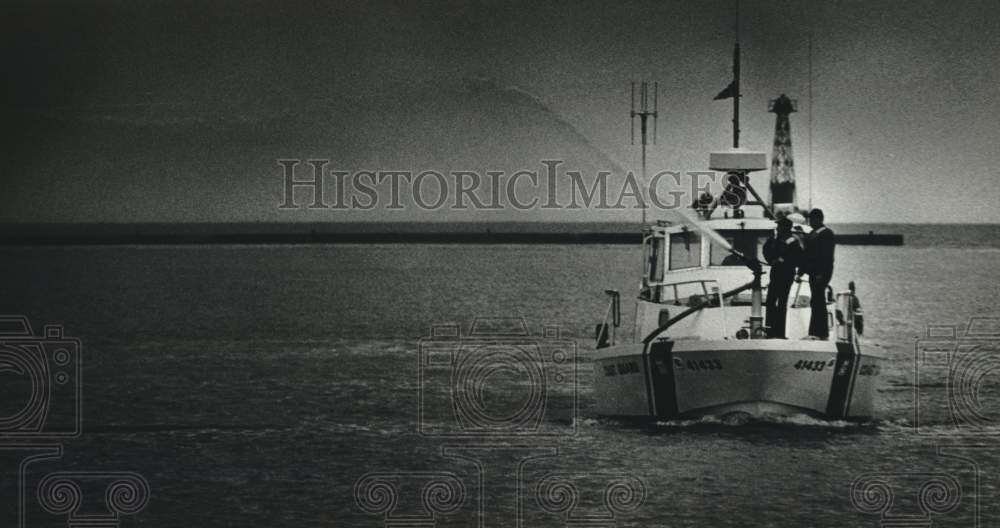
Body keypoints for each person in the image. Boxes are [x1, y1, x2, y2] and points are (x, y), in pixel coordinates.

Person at [762, 216, 803, 338]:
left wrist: (782, 260)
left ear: (785, 227)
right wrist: (772, 260)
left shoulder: (793, 241)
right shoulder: (775, 239)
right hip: (776, 274)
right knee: (770, 302)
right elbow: (766, 250)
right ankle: (770, 331)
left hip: (786, 274)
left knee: (781, 303)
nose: (777, 228)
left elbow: (799, 258)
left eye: (779, 226)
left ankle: (780, 332)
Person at [803, 208, 835, 339]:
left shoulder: (826, 234)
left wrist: (821, 273)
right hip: (813, 272)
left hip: (820, 272)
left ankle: (821, 331)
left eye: (812, 219)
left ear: (819, 219)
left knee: (819, 301)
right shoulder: (814, 233)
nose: (810, 222)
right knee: (815, 301)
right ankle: (815, 330)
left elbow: (826, 256)